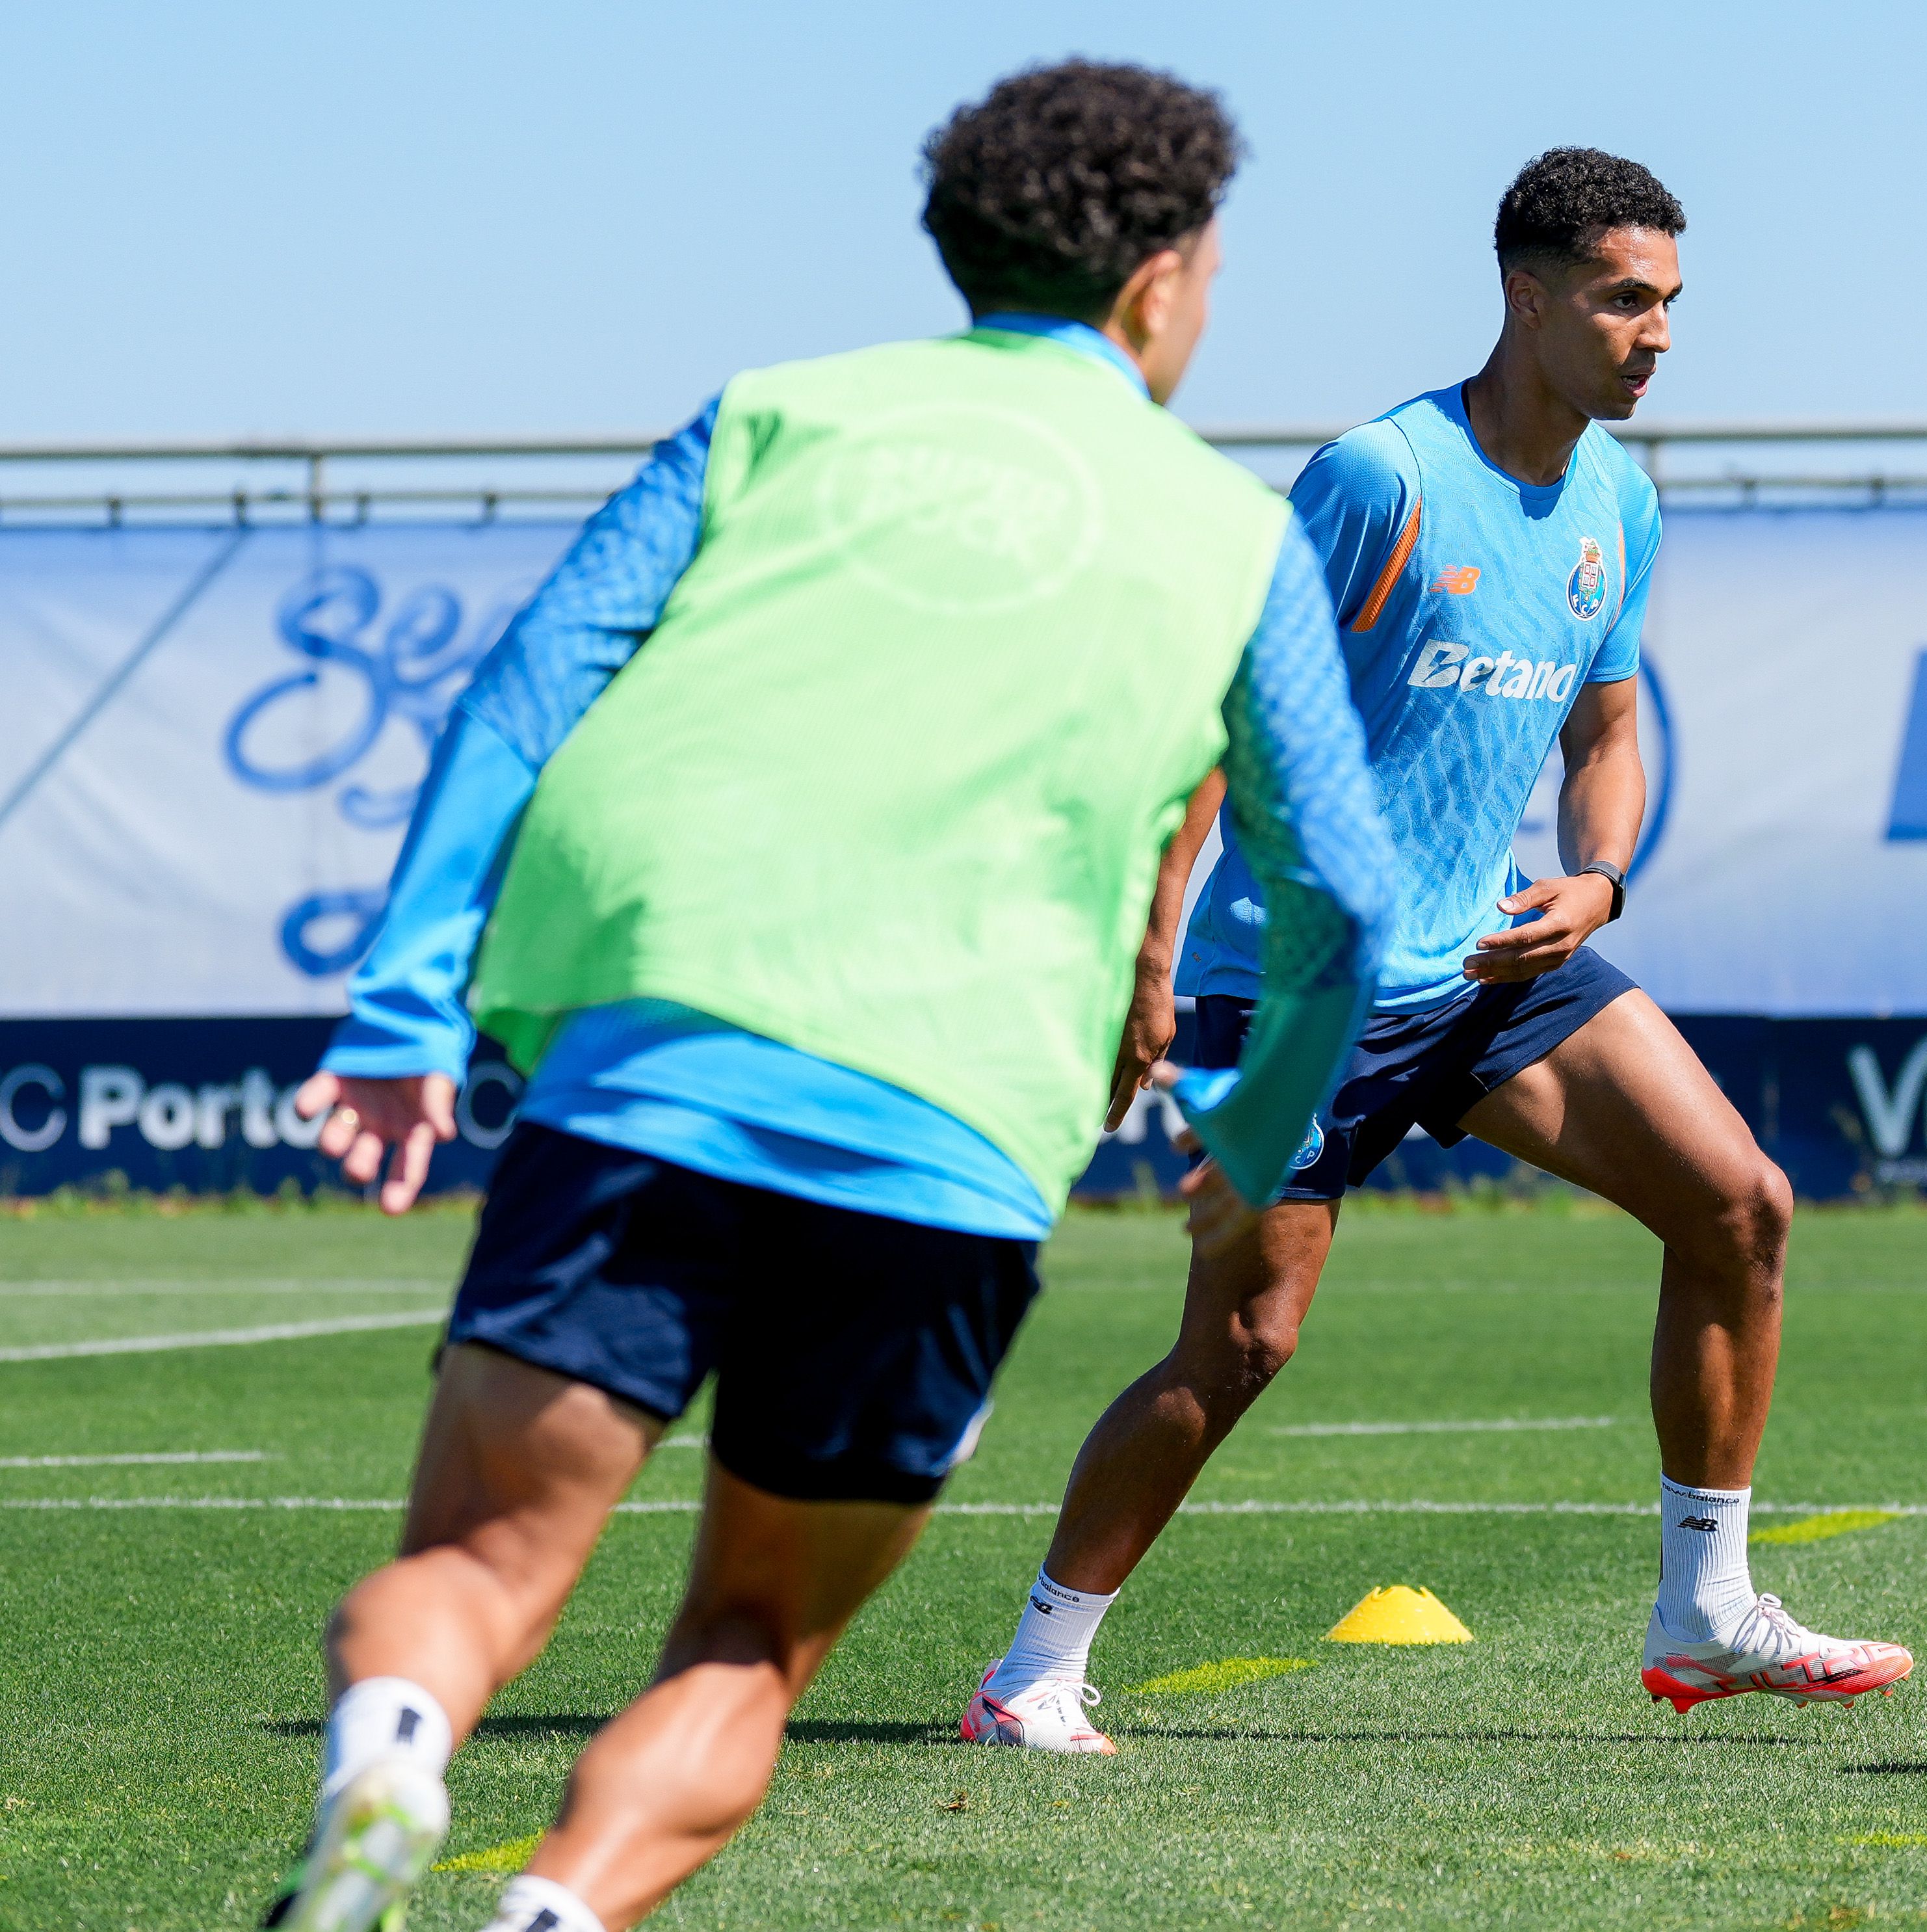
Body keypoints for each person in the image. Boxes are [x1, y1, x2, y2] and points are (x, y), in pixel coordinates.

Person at [261, 60, 1391, 1932]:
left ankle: (389, 1754)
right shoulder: (1234, 535)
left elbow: (523, 694)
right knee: (743, 1641)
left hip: (654, 1075)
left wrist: (400, 1009)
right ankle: (546, 1914)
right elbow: (1344, 893)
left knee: (476, 1563)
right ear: (1163, 281)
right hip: (945, 1146)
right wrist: (1262, 1134)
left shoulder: (775, 415)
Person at [963, 147, 1909, 1757]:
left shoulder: (1618, 502)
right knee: (1244, 1342)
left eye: (1671, 303)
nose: (1658, 335)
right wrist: (1150, 956)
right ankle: (1030, 1671)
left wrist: (1597, 881)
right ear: (1526, 298)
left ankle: (1705, 1609)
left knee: (1741, 1203)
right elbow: (1217, 716)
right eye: (1623, 299)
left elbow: (1608, 735)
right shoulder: (1379, 478)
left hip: (1490, 965)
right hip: (1296, 985)